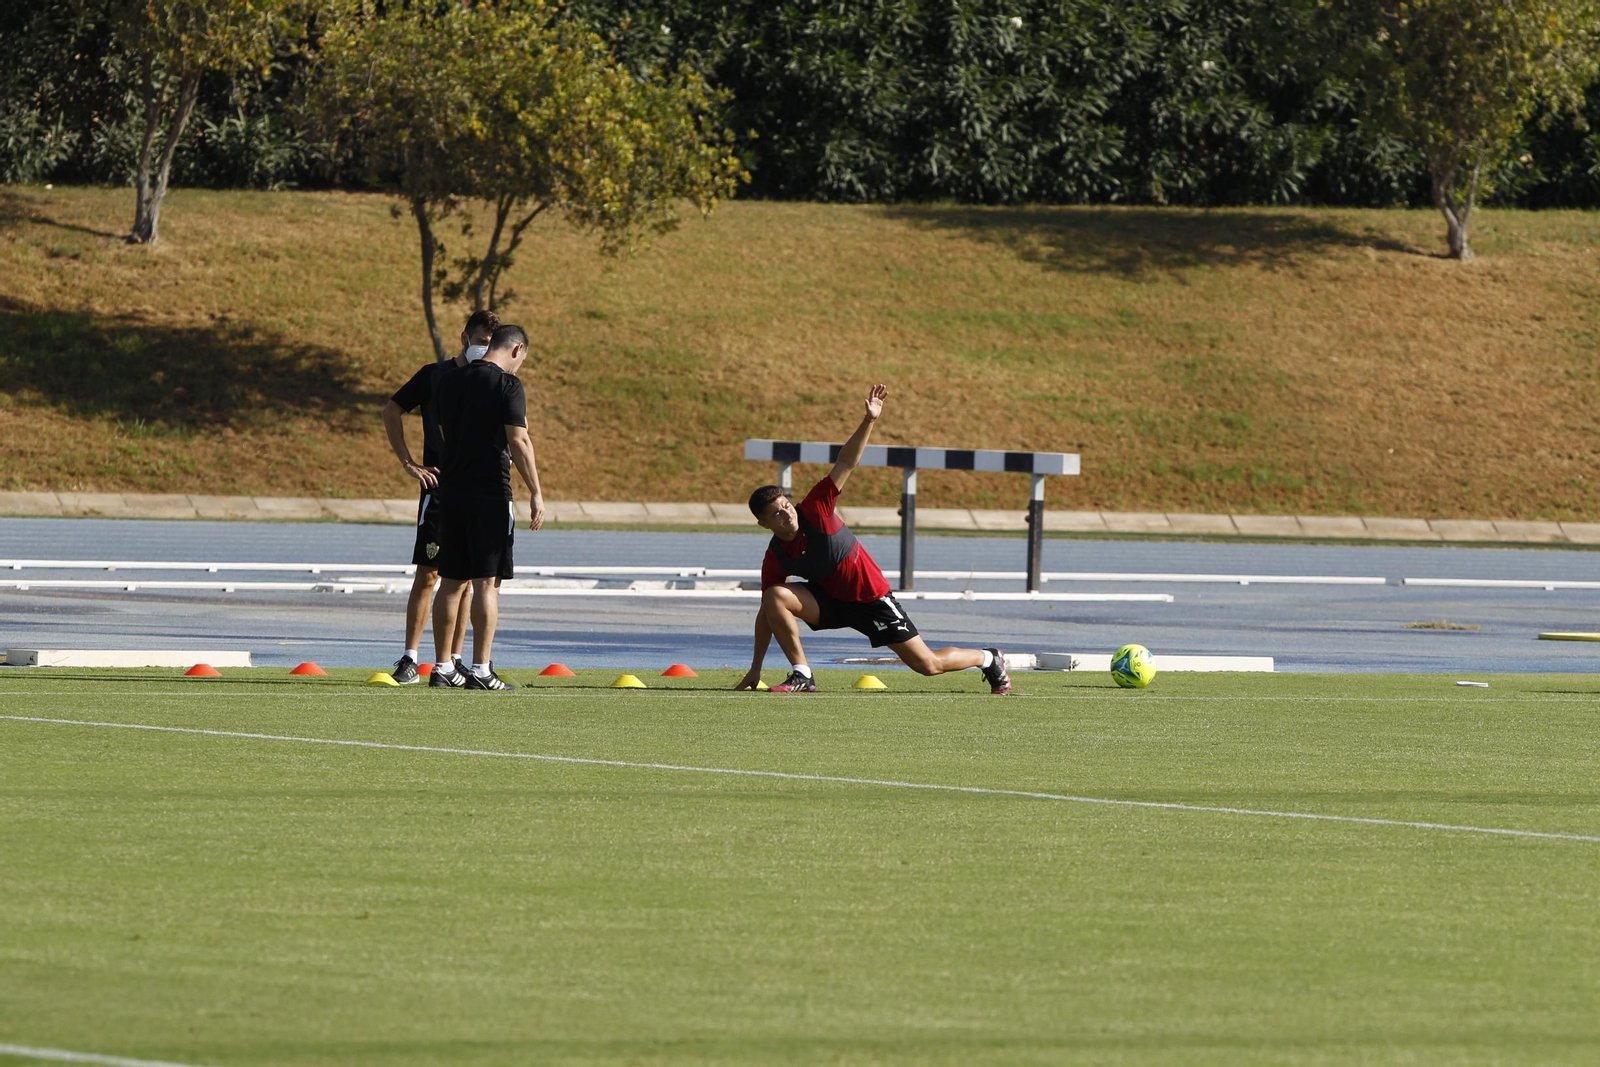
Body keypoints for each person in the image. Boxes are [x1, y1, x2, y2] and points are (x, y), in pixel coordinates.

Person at [736, 384, 1012, 695]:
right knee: (775, 596)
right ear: (763, 524)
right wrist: (756, 667)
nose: (787, 514)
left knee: (929, 665)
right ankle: (803, 674)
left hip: (870, 599)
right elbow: (766, 614)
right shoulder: (775, 555)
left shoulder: (815, 509)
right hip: (832, 603)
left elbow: (845, 463)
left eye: (786, 505)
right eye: (777, 514)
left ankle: (989, 658)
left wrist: (869, 420)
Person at [380, 310, 500, 683]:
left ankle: (454, 660)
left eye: (491, 343)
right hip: (440, 489)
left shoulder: (493, 380)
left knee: (467, 578)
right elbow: (392, 409)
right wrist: (409, 462)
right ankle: (410, 657)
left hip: (477, 490)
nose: (485, 348)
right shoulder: (436, 375)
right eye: (481, 340)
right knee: (430, 573)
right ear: (464, 338)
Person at [427, 323, 546, 690]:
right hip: (491, 493)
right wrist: (536, 490)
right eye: (522, 358)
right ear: (517, 349)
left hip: (453, 491)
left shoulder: (450, 381)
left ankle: (443, 667)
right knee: (487, 585)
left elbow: (444, 430)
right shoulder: (508, 385)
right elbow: (519, 439)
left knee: (449, 583)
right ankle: (480, 669)